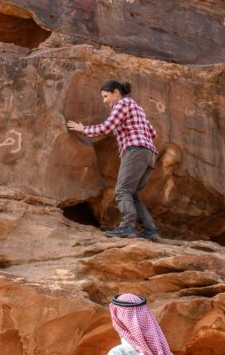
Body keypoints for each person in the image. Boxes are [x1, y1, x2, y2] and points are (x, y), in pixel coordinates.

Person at [66, 81, 159, 239]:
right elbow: (153, 132)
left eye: (105, 96)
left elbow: (106, 127)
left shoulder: (122, 103)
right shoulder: (138, 108)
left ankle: (127, 228)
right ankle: (150, 230)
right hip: (149, 154)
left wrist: (83, 129)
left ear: (116, 92)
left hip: (135, 150)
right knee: (133, 194)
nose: (104, 101)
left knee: (122, 191)